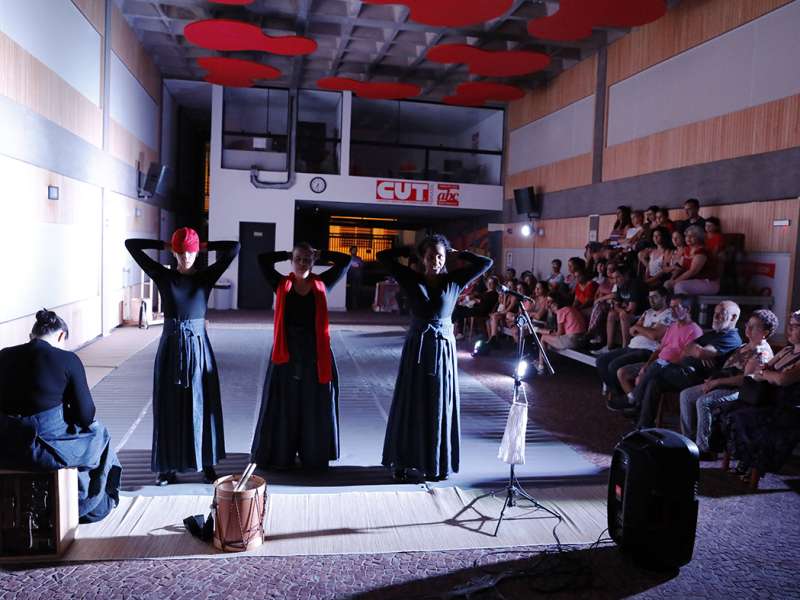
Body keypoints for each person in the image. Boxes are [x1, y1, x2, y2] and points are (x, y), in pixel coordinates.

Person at [125, 228, 240, 485]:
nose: (186, 256)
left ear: (196, 252)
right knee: (169, 405)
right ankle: (166, 468)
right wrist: (165, 245)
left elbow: (234, 247)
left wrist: (201, 244)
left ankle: (207, 463)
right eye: (181, 251)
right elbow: (131, 244)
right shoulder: (163, 275)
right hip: (171, 345)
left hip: (198, 345)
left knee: (202, 402)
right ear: (174, 252)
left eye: (190, 251)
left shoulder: (206, 276)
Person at [380, 235, 492, 482]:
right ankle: (403, 460)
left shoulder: (455, 279)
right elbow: (383, 257)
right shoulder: (410, 277)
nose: (436, 261)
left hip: (442, 348)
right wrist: (409, 248)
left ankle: (436, 463)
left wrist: (459, 253)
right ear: (423, 258)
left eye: (440, 256)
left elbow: (486, 264)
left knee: (438, 403)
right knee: (412, 401)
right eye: (431, 256)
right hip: (417, 348)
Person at [0, 310, 121, 523]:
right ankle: (89, 502)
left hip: (7, 446)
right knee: (100, 434)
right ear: (61, 336)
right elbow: (86, 415)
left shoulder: (3, 356)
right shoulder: (67, 359)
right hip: (46, 450)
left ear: (31, 336)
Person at [251, 243, 351, 470]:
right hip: (286, 353)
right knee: (285, 404)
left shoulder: (322, 284)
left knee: (312, 404)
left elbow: (344, 261)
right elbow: (262, 260)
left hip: (315, 354)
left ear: (313, 262)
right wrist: (287, 253)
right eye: (298, 259)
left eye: (307, 260)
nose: (303, 263)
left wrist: (320, 253)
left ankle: (312, 455)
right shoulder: (281, 284)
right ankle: (282, 454)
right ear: (292, 261)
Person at [624, 300, 743, 428]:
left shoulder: (731, 338)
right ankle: (644, 425)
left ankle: (634, 400)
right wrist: (699, 351)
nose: (715, 316)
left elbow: (699, 352)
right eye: (715, 313)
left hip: (698, 378)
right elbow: (687, 348)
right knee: (655, 382)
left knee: (658, 367)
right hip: (683, 371)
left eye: (721, 314)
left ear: (733, 317)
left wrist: (699, 351)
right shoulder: (713, 334)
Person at [679, 309, 777, 456]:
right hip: (724, 384)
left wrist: (717, 382)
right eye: (748, 325)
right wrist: (713, 378)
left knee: (704, 401)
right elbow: (728, 368)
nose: (748, 328)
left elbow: (745, 380)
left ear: (765, 332)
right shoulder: (744, 347)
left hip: (740, 392)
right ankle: (688, 441)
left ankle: (703, 448)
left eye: (754, 327)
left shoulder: (761, 352)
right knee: (686, 395)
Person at [720, 310, 800, 487]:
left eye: (795, 326)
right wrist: (768, 374)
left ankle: (754, 465)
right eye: (790, 325)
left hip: (786, 407)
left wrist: (768, 374)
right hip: (769, 399)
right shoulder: (786, 350)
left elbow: (783, 379)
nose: (789, 329)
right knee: (730, 410)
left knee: (748, 418)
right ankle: (745, 460)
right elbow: (762, 370)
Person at [608, 295, 703, 416]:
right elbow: (659, 349)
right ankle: (636, 405)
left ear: (687, 309)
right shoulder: (673, 326)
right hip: (658, 364)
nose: (672, 311)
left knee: (646, 377)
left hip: (674, 368)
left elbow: (686, 359)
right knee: (622, 372)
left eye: (676, 307)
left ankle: (633, 400)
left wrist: (657, 364)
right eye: (671, 307)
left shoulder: (695, 331)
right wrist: (647, 365)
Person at [596, 287, 672, 404]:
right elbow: (632, 331)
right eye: (650, 297)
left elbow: (655, 335)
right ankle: (620, 393)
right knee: (601, 360)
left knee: (614, 365)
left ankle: (628, 398)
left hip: (648, 350)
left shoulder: (668, 314)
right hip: (632, 346)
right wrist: (644, 330)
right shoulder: (648, 312)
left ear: (664, 298)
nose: (651, 300)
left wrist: (639, 328)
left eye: (655, 297)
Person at [598, 264, 648, 353]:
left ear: (626, 276)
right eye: (614, 278)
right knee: (611, 314)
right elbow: (616, 305)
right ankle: (609, 346)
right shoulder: (619, 285)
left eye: (618, 277)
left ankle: (624, 348)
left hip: (641, 314)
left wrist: (622, 310)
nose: (615, 281)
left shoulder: (634, 285)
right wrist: (621, 309)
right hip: (629, 312)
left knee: (623, 315)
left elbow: (631, 309)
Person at [538, 292, 587, 372]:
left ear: (555, 303)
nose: (547, 304)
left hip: (573, 340)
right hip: (582, 339)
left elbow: (559, 334)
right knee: (548, 338)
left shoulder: (561, 311)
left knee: (543, 337)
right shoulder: (569, 308)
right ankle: (543, 361)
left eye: (549, 302)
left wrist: (543, 331)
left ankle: (541, 365)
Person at [665, 225, 719, 295]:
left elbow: (693, 271)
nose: (688, 238)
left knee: (680, 286)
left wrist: (675, 282)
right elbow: (679, 267)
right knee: (667, 284)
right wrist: (671, 279)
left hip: (708, 282)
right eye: (687, 236)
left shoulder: (702, 251)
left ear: (699, 238)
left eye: (692, 236)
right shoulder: (687, 250)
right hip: (693, 281)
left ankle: (683, 302)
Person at [346, 245, 365, 310]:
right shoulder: (348, 258)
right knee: (352, 291)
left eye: (356, 250)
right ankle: (353, 305)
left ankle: (356, 304)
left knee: (357, 291)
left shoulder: (359, 258)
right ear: (350, 251)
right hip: (351, 277)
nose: (355, 251)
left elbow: (361, 265)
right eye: (353, 250)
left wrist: (357, 265)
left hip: (358, 277)